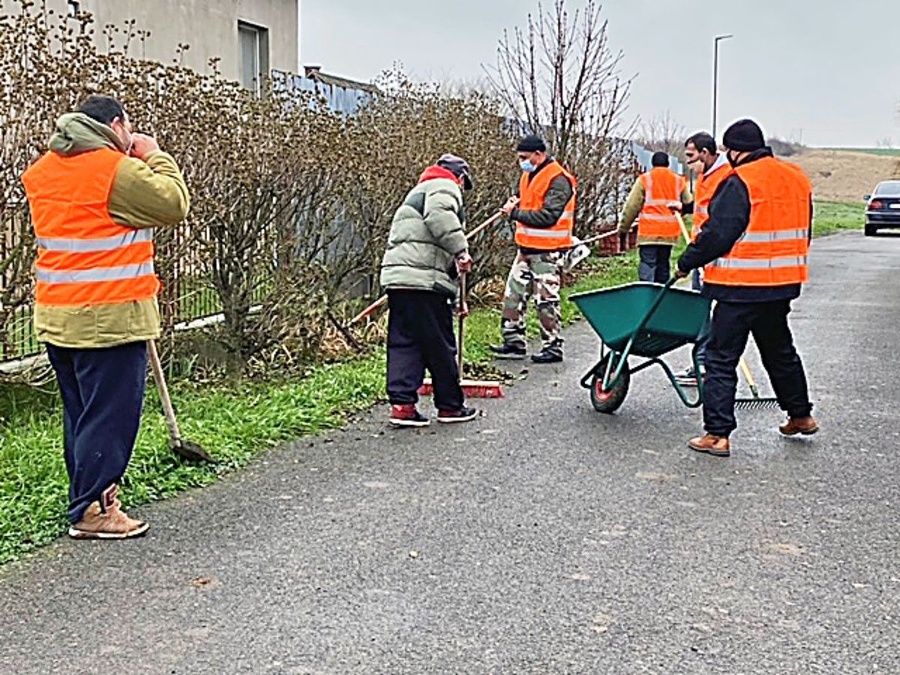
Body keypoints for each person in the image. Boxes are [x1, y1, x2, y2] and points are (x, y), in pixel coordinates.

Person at [21, 95, 190, 538]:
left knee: (81, 415)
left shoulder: (43, 172)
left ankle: (86, 500)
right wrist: (152, 153)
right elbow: (174, 204)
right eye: (128, 129)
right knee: (109, 418)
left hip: (59, 316)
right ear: (116, 126)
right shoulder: (114, 170)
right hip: (110, 318)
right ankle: (94, 511)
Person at [675, 118, 818, 458]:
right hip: (782, 285)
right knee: (780, 351)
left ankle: (717, 435)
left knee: (721, 358)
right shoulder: (797, 178)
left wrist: (687, 261)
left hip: (739, 287)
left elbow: (717, 233)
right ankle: (801, 415)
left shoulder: (739, 181)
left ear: (736, 151)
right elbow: (806, 228)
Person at [380, 154, 479, 427]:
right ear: (458, 177)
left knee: (404, 343)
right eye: (463, 183)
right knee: (439, 344)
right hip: (425, 284)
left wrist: (458, 298)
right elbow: (439, 217)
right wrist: (461, 250)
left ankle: (402, 406)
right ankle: (450, 407)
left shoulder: (417, 191)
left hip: (399, 279)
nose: (461, 188)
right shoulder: (443, 186)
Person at [490, 134, 576, 364]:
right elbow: (531, 203)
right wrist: (516, 203)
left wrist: (515, 214)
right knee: (513, 295)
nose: (522, 162)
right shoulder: (529, 174)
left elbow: (549, 216)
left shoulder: (559, 179)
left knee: (546, 299)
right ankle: (513, 342)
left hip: (549, 251)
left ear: (539, 154)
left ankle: (553, 346)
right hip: (526, 248)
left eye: (525, 157)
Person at [673, 132, 733, 387]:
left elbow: (721, 218)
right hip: (702, 254)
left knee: (706, 313)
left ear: (706, 153)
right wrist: (685, 208)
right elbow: (705, 205)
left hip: (714, 256)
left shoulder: (726, 176)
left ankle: (704, 365)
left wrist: (693, 259)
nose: (687, 161)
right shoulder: (706, 175)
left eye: (691, 156)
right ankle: (702, 363)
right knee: (701, 312)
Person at [617, 151, 692, 283]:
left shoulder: (645, 180)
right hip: (669, 233)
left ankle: (646, 296)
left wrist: (623, 228)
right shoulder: (678, 181)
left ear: (652, 164)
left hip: (648, 233)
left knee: (648, 265)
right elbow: (689, 204)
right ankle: (661, 297)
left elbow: (632, 206)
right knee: (663, 265)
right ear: (668, 164)